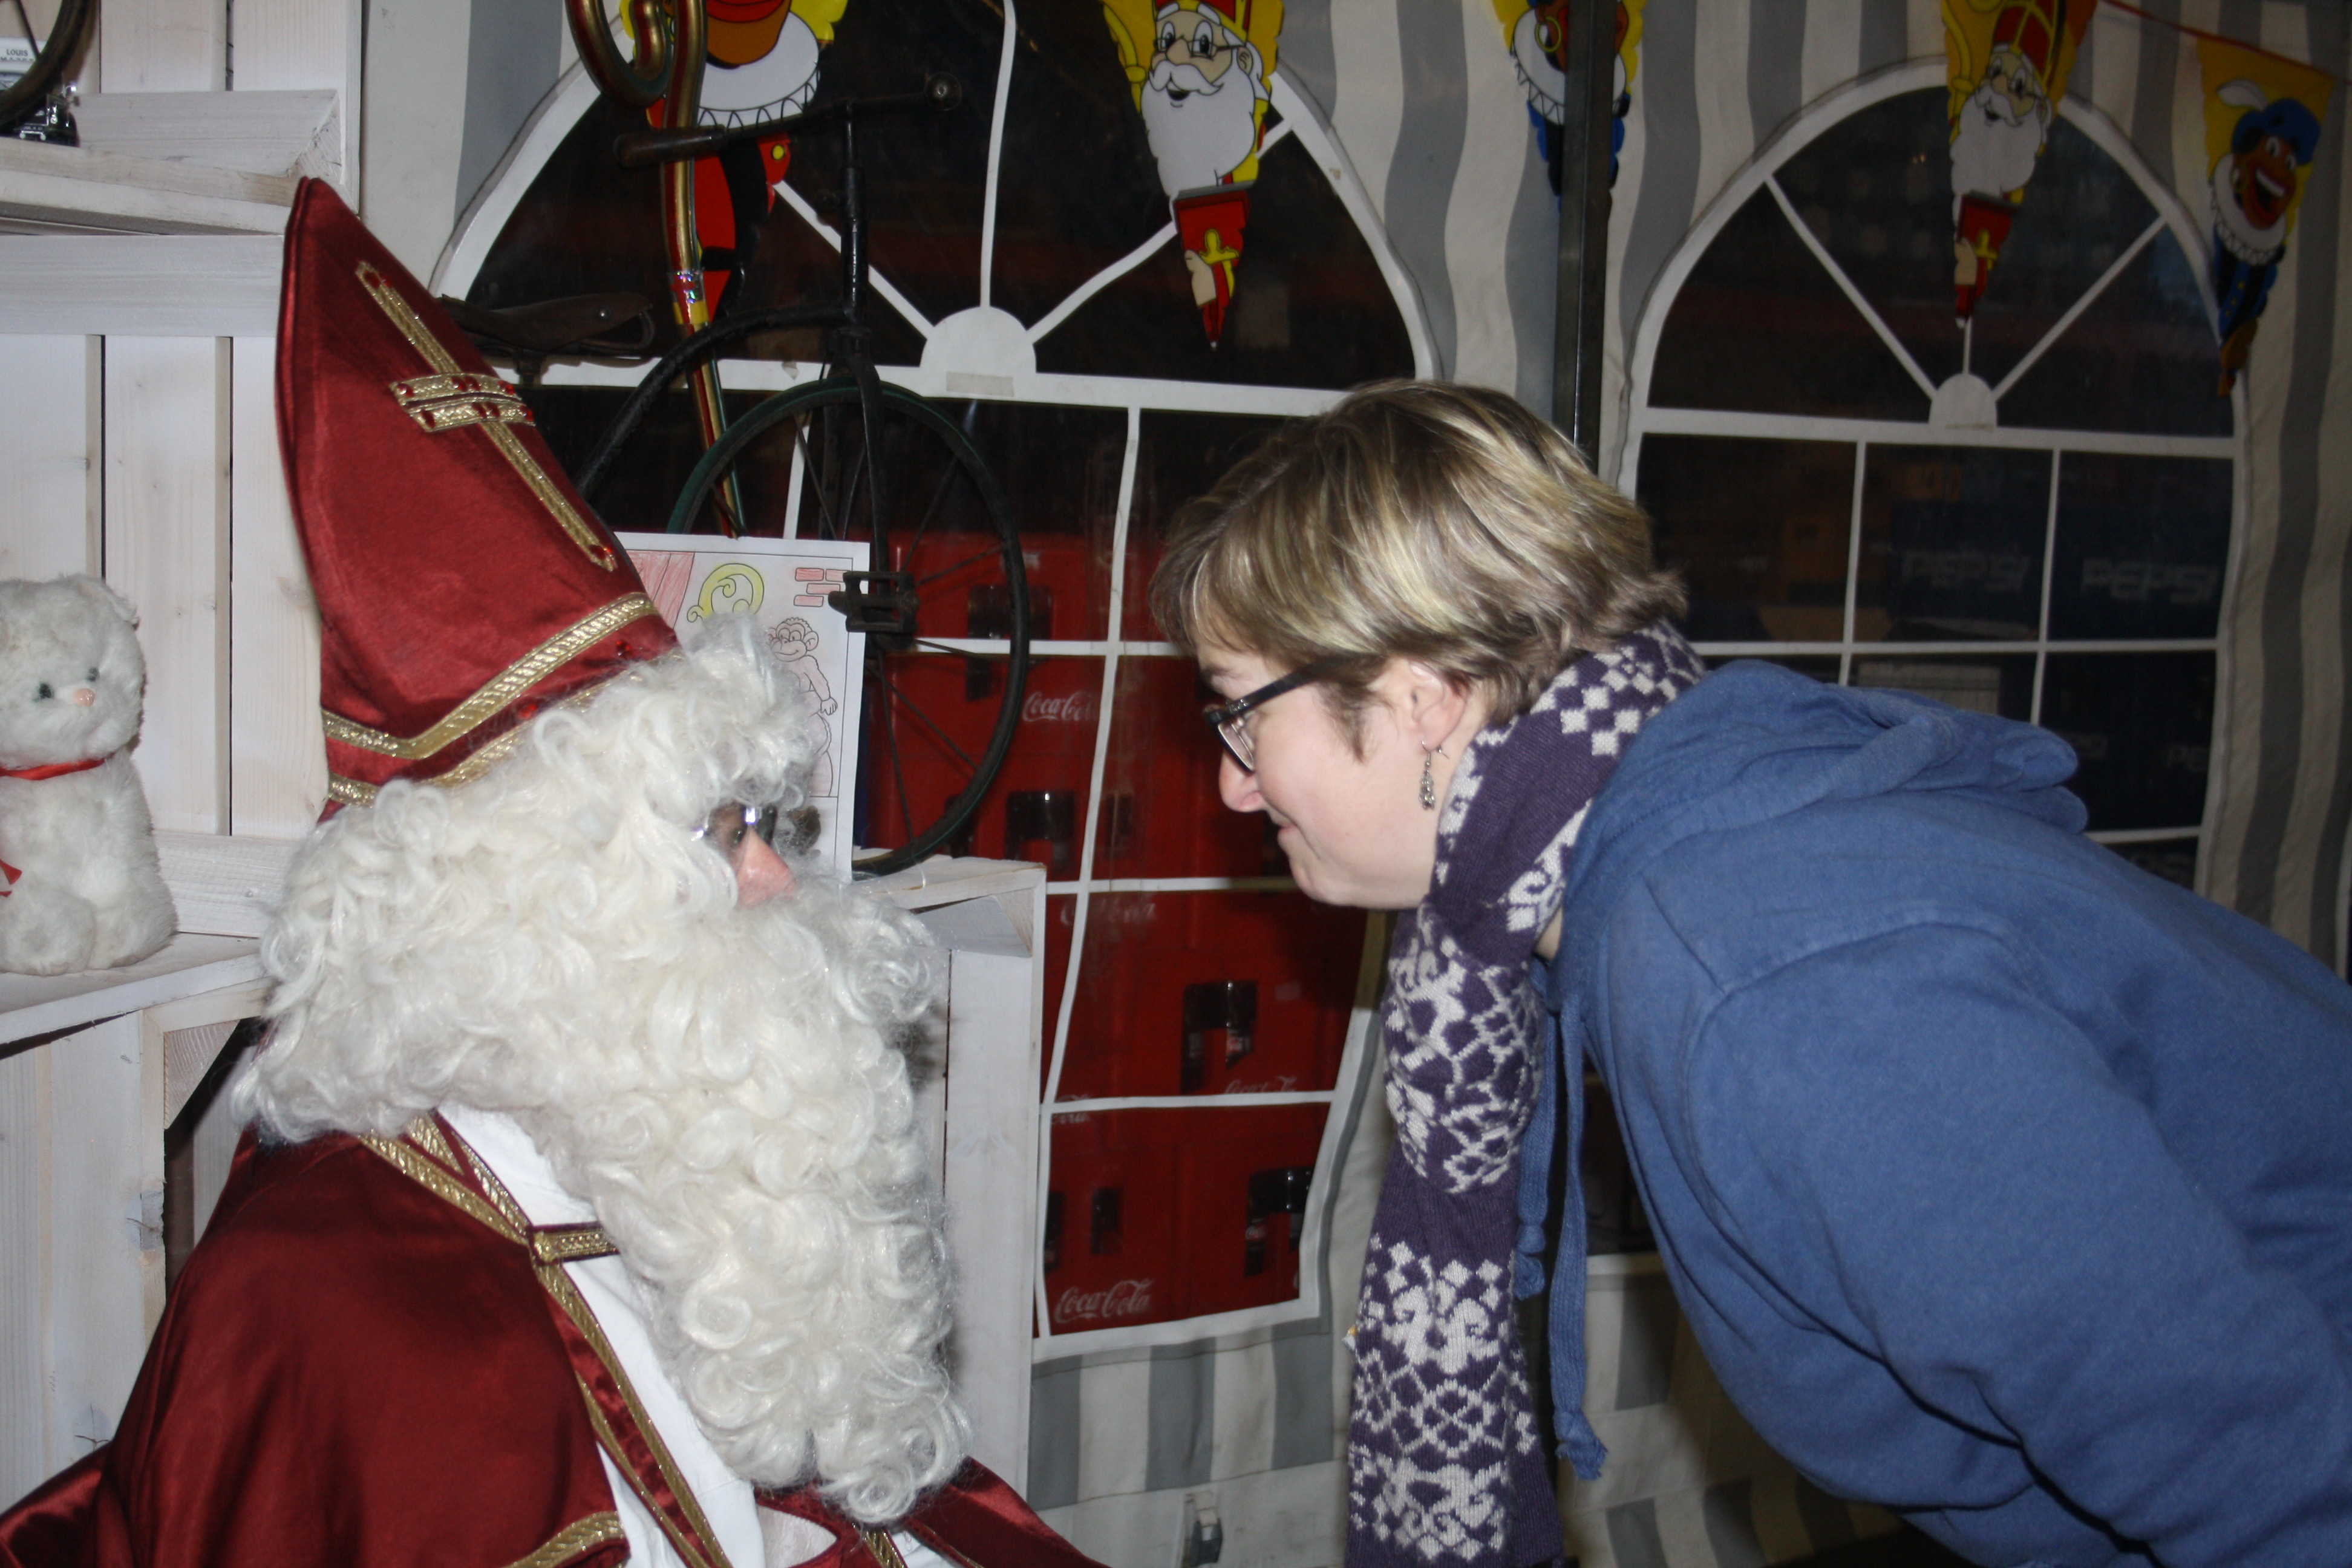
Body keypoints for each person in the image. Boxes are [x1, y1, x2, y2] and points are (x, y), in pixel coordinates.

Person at [0, 181, 1098, 1568]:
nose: (778, 883)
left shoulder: (660, 1143)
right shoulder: (328, 1302)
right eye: (722, 835)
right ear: (518, 898)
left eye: (765, 825)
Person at [1148, 379, 2352, 1568]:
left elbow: (2261, 1472)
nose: (1234, 784)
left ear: (1425, 695)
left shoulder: (1748, 971)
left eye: (1243, 715)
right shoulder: (1694, 834)